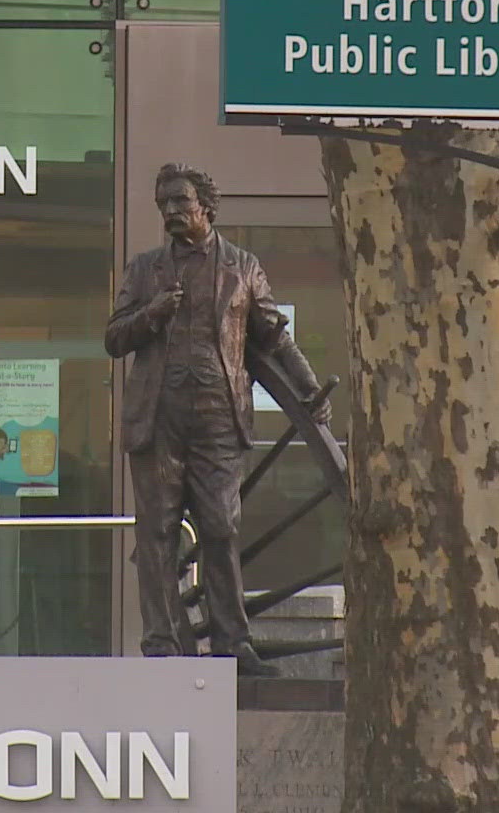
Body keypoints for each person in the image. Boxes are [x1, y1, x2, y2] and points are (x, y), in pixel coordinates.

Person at [105, 162, 330, 677]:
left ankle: (233, 643)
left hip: (217, 421)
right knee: (157, 533)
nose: (170, 212)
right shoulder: (144, 270)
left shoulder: (243, 267)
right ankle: (161, 643)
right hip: (158, 419)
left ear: (206, 206)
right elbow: (114, 338)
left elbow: (274, 337)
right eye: (164, 204)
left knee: (221, 528)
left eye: (180, 202)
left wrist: (309, 388)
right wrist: (152, 315)